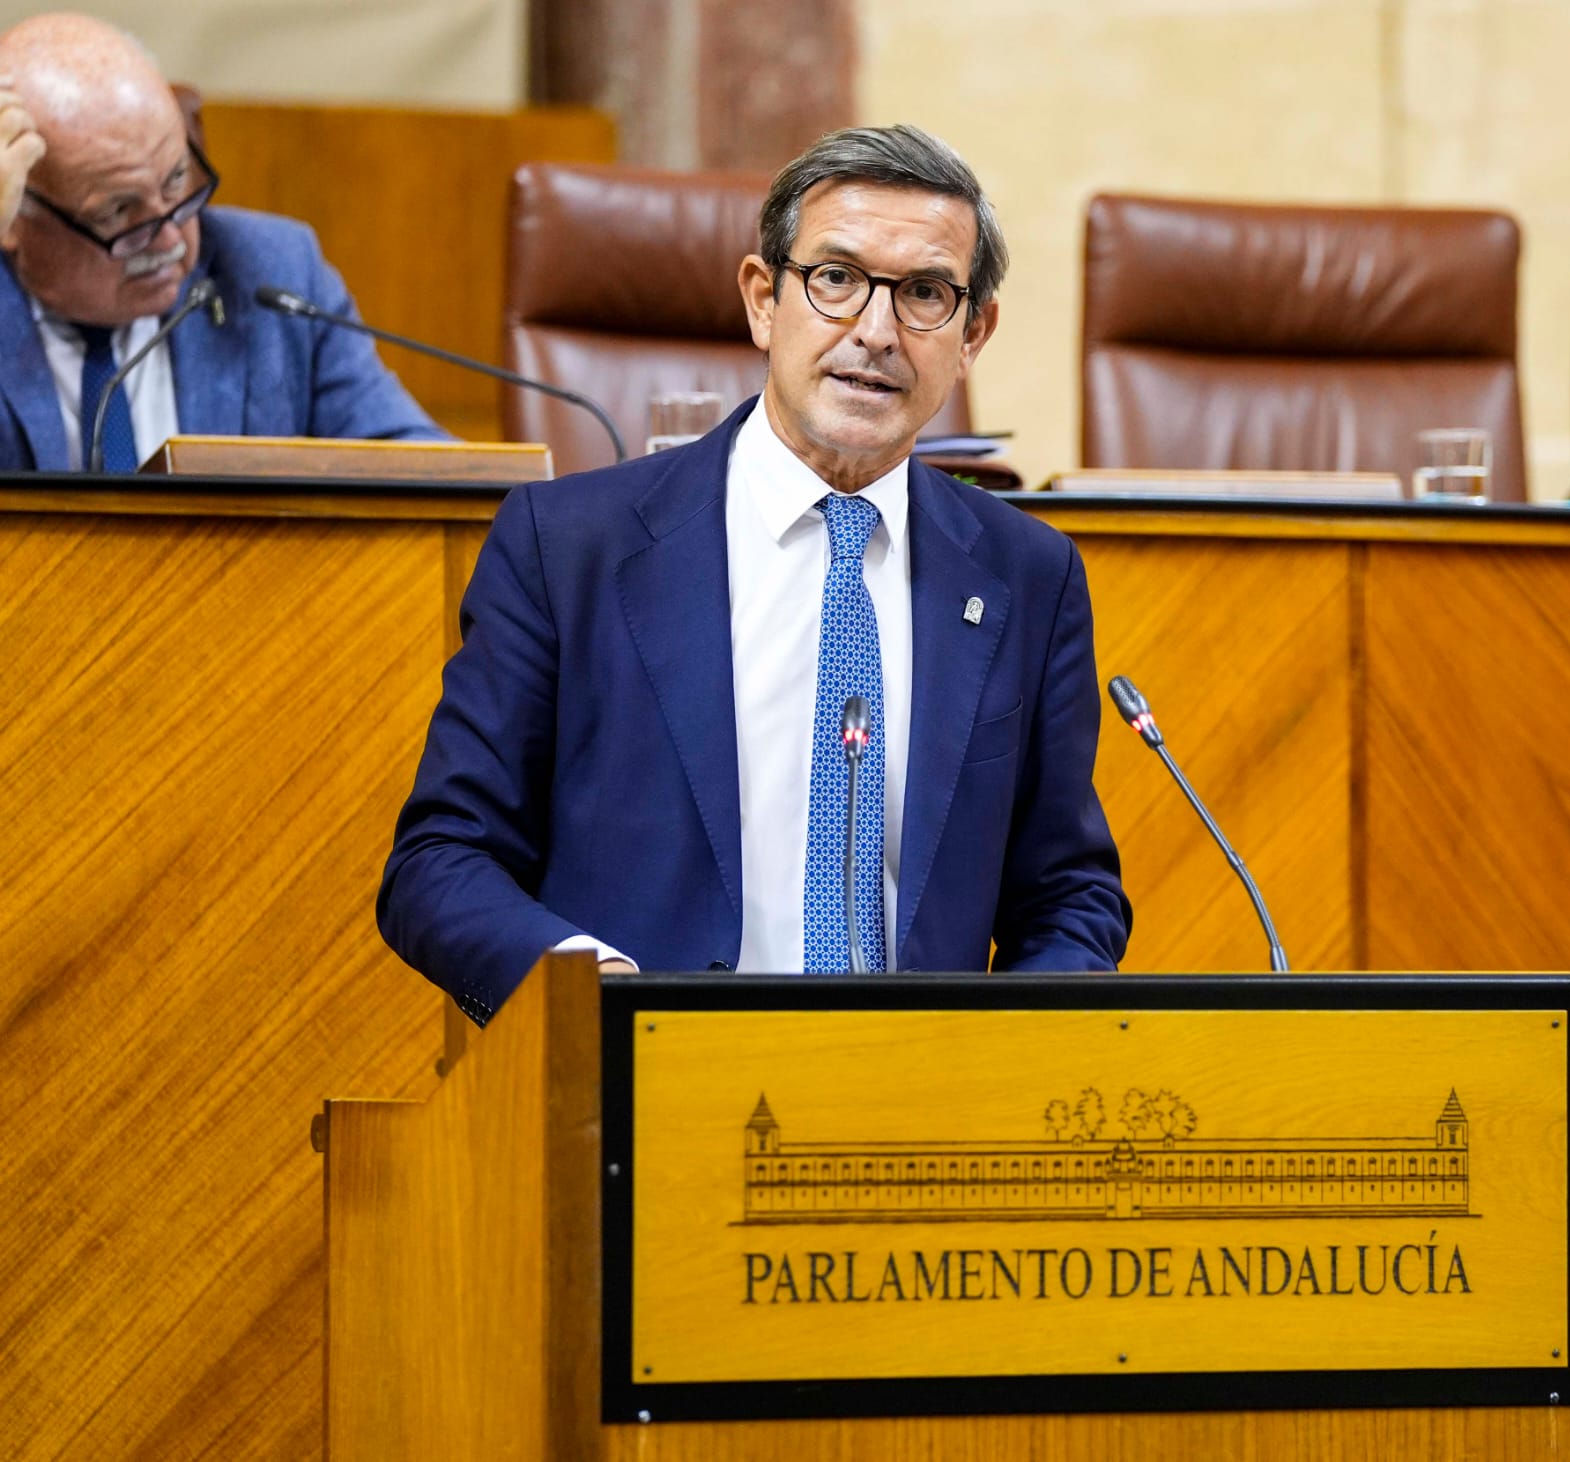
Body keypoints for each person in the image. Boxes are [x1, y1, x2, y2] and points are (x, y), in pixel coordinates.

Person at [379, 124, 1131, 1022]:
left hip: (914, 1108)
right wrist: (589, 997)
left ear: (973, 334)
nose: (877, 332)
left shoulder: (1027, 575)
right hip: (633, 1098)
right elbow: (442, 859)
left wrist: (1000, 1054)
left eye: (925, 294)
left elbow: (1068, 892)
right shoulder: (567, 545)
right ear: (764, 299)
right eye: (838, 279)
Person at [0, 14, 446, 472]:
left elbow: (422, 473)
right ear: (16, 216)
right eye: (118, 212)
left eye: (176, 180)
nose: (171, 238)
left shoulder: (273, 272)